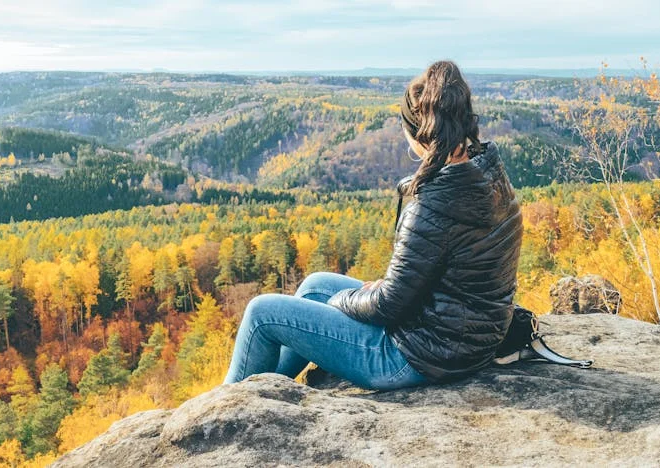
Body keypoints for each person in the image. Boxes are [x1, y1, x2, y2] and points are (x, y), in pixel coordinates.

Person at [223, 60, 523, 390]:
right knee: (314, 285)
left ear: (419, 135)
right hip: (459, 342)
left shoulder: (435, 204)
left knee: (262, 313)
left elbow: (387, 305)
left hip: (416, 357)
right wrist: (377, 292)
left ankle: (224, 406)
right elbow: (451, 275)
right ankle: (267, 389)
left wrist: (345, 301)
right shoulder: (489, 175)